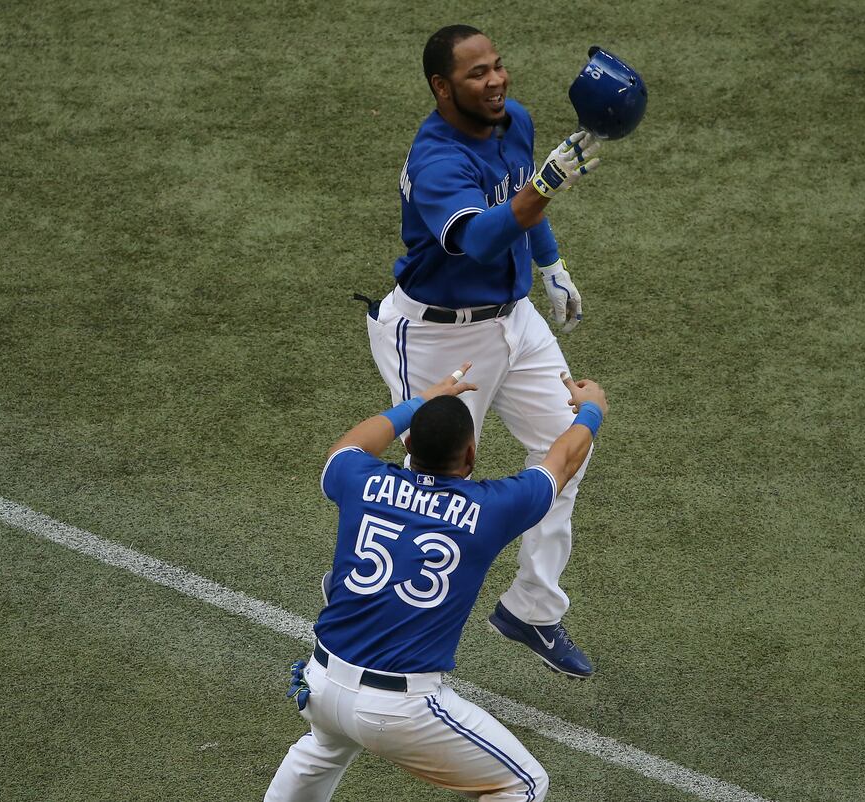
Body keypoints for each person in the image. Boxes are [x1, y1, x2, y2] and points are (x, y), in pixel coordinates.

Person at [363, 24, 606, 679]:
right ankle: (385, 634)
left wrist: (551, 265)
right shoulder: (436, 159)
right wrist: (548, 185)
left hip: (514, 319)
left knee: (566, 443)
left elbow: (522, 197)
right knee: (432, 492)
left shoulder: (512, 120)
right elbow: (480, 235)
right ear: (442, 87)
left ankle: (532, 607)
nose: (495, 81)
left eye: (498, 67)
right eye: (477, 74)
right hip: (440, 337)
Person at [263, 363, 608, 802]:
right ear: (470, 456)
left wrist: (419, 402)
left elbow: (349, 444)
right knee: (523, 786)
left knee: (323, 749)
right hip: (399, 708)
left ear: (408, 443)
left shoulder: (359, 480)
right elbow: (561, 462)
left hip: (322, 683)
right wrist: (591, 410)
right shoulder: (490, 510)